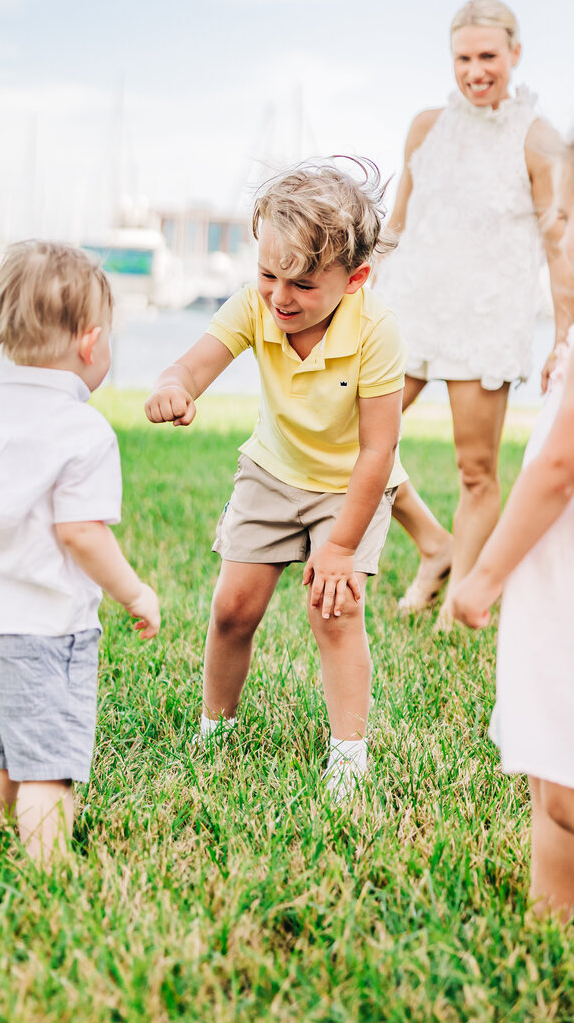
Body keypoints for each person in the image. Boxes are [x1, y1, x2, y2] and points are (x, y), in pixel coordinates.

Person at [144, 159, 405, 801]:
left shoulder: (375, 331)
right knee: (234, 608)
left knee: (333, 612)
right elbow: (193, 365)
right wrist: (172, 387)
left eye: (304, 284)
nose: (281, 296)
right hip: (272, 470)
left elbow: (378, 450)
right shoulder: (256, 308)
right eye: (268, 275)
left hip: (351, 485)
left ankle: (348, 755)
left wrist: (339, 548)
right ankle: (217, 729)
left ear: (355, 279)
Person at [0, 241, 160, 865]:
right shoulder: (83, 432)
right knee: (47, 767)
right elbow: (82, 533)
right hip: (43, 633)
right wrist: (134, 591)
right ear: (90, 342)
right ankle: (46, 875)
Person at [447, 113, 574, 921]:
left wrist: (484, 571)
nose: (555, 229)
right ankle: (547, 915)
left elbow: (556, 470)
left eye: (566, 213)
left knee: (569, 795)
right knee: (562, 763)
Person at [375, 0, 574, 620]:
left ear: (515, 54)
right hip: (409, 309)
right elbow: (395, 226)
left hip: (487, 320)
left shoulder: (539, 141)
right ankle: (432, 544)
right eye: (463, 57)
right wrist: (353, 295)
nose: (475, 71)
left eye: (488, 56)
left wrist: (564, 339)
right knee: (353, 435)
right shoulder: (424, 127)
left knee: (476, 471)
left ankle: (458, 601)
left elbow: (559, 249)